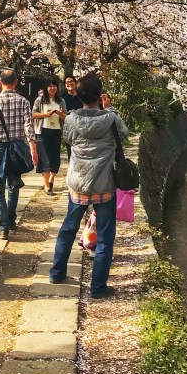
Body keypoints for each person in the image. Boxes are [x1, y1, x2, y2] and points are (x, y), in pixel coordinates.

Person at [49, 73, 129, 299]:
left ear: (79, 95)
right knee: (105, 237)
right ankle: (97, 287)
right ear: (100, 95)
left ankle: (57, 273)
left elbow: (67, 139)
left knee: (68, 229)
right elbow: (124, 134)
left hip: (78, 183)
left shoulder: (71, 119)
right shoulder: (111, 118)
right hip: (104, 185)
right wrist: (109, 109)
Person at [0, 68, 37, 239]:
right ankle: (11, 220)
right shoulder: (24, 102)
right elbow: (29, 127)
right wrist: (33, 148)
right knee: (13, 184)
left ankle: (3, 227)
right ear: (16, 82)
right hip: (16, 148)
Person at [32, 78, 67, 194]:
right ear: (46, 88)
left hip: (56, 131)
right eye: (50, 86)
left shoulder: (61, 101)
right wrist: (45, 115)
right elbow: (33, 114)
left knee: (55, 158)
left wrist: (60, 114)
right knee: (45, 158)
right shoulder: (40, 100)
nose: (52, 88)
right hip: (42, 132)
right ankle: (47, 186)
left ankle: (52, 178)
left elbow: (66, 117)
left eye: (54, 86)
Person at [61, 74, 82, 161]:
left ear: (75, 83)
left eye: (71, 81)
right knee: (70, 152)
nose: (69, 84)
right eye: (67, 82)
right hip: (68, 128)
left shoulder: (82, 96)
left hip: (81, 127)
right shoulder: (62, 98)